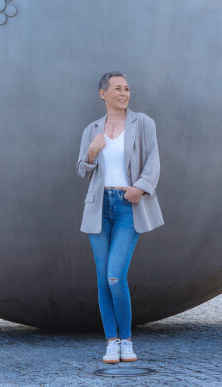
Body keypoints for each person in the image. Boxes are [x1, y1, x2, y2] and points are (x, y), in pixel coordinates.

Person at [77, 71, 163, 364]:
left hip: (128, 206)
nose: (124, 93)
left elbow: (153, 160)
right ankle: (111, 342)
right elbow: (82, 168)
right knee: (102, 278)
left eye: (127, 88)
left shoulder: (143, 124)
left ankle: (126, 340)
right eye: (117, 89)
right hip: (98, 207)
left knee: (115, 276)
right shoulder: (92, 129)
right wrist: (92, 150)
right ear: (103, 94)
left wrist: (140, 188)